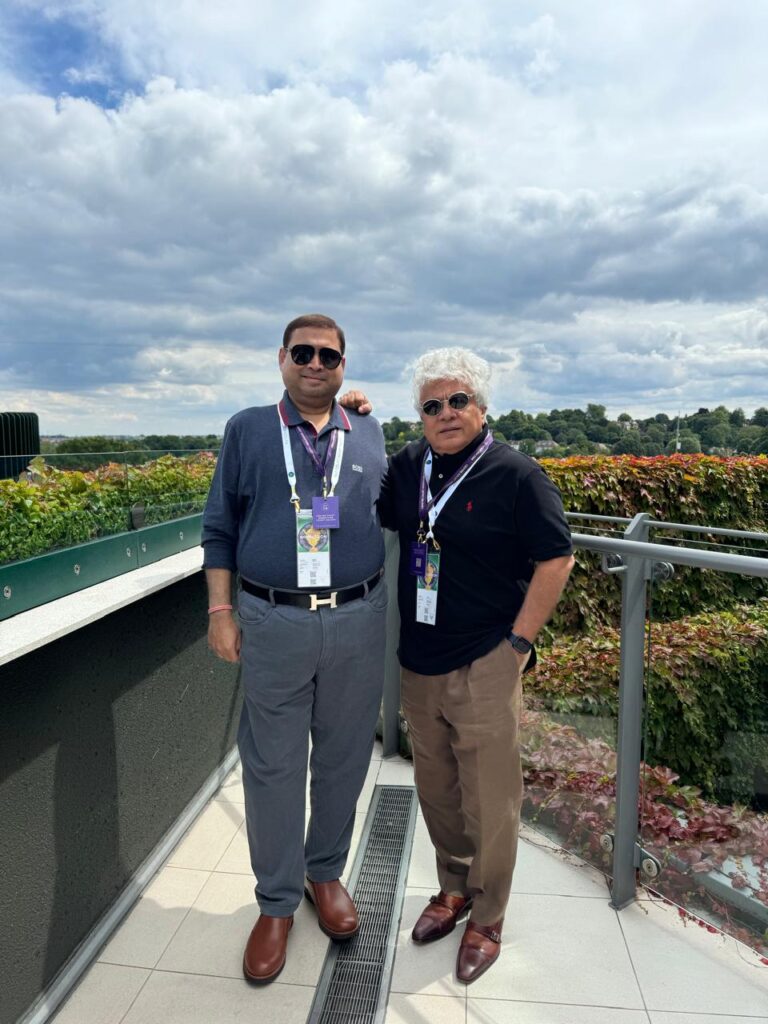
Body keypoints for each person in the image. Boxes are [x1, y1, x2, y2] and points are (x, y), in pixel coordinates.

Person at [377, 347, 574, 984]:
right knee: (437, 789)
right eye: (431, 405)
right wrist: (351, 416)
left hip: (486, 658)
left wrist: (515, 646)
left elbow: (557, 559)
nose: (445, 413)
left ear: (482, 406)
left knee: (492, 798)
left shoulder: (518, 475)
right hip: (419, 660)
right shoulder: (410, 467)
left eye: (457, 399)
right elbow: (376, 507)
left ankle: (488, 915)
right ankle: (453, 888)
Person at [202, 313, 387, 984]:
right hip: (272, 620)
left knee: (342, 756)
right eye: (302, 352)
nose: (315, 363)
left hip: (360, 617)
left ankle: (324, 874)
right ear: (281, 358)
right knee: (272, 765)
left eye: (328, 355)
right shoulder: (248, 429)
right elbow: (219, 527)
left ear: (344, 365)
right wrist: (221, 611)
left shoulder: (367, 428)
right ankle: (275, 903)